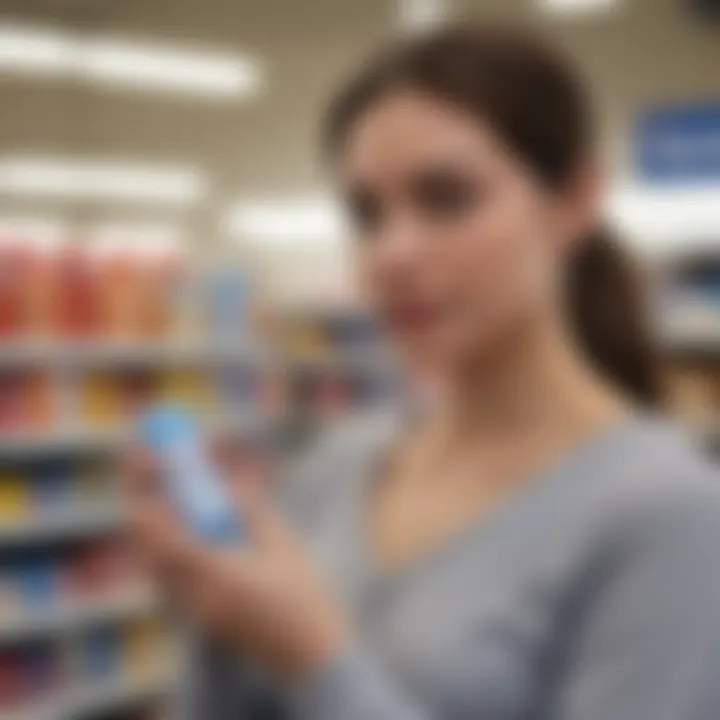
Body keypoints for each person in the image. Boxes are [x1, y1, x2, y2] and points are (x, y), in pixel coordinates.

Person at [125, 26, 720, 720]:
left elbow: (310, 665)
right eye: (367, 214)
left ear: (575, 200)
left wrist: (315, 659)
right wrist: (212, 608)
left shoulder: (670, 514)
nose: (392, 253)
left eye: (447, 198)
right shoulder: (338, 465)